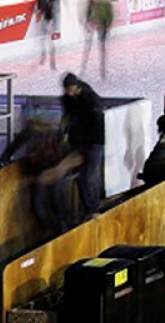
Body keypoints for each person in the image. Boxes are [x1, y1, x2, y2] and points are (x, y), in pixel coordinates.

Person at [58, 72, 105, 221]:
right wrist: (64, 133)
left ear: (75, 87)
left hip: (94, 141)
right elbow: (67, 116)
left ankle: (94, 207)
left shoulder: (91, 99)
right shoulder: (68, 98)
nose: (66, 92)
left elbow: (95, 123)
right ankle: (86, 206)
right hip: (79, 141)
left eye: (68, 89)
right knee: (82, 176)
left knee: (91, 175)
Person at [83, 0, 113, 79]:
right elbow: (88, 14)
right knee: (88, 47)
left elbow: (109, 15)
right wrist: (89, 23)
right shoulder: (91, 3)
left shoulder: (104, 3)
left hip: (102, 25)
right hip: (94, 24)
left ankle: (102, 69)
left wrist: (107, 25)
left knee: (101, 48)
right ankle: (84, 66)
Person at [32, 0, 58, 69]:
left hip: (50, 18)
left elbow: (55, 8)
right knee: (43, 39)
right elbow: (37, 7)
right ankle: (44, 55)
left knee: (50, 41)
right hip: (44, 18)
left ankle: (52, 58)